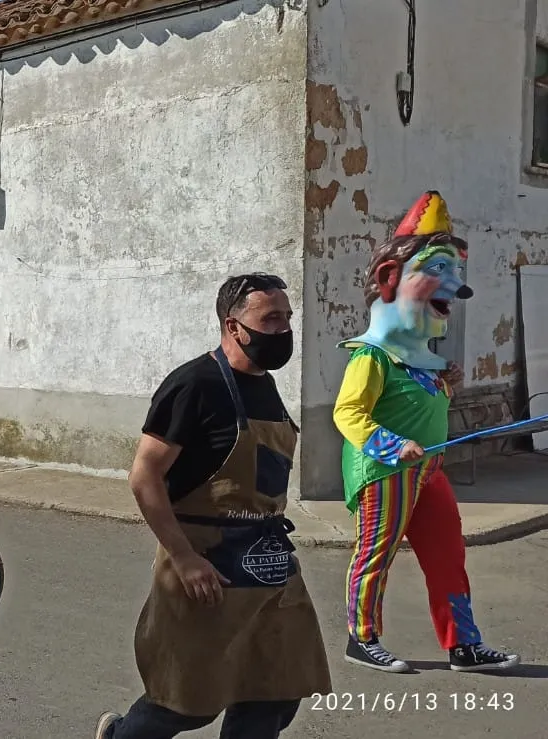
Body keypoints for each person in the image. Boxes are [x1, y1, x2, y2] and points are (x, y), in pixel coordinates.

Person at [94, 274, 331, 739]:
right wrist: (184, 558)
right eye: (271, 319)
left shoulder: (266, 385)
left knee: (275, 691)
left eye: (287, 318)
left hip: (268, 564)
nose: (283, 330)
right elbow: (145, 476)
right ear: (233, 326)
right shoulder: (194, 385)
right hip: (206, 566)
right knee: (187, 702)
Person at [333, 191, 520, 673]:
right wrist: (393, 444)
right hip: (385, 468)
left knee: (448, 555)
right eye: (440, 269)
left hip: (428, 467)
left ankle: (463, 644)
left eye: (457, 273)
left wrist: (444, 386)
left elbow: (415, 403)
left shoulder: (421, 357)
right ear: (388, 278)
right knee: (376, 554)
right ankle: (362, 636)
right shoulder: (370, 355)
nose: (457, 288)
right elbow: (348, 413)